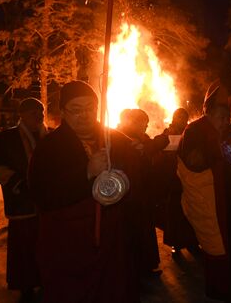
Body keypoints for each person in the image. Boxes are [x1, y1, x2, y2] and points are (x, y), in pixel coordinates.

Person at [27, 80, 141, 303]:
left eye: (90, 108)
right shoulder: (49, 147)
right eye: (76, 110)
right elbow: (42, 194)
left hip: (111, 238)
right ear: (63, 112)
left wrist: (139, 155)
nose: (85, 115)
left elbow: (136, 175)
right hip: (69, 243)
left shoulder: (115, 138)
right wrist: (86, 173)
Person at [177, 81, 231, 303]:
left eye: (227, 117)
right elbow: (192, 164)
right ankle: (221, 289)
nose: (226, 121)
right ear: (208, 113)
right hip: (214, 202)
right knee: (220, 246)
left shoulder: (227, 134)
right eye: (220, 117)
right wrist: (217, 157)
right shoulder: (194, 131)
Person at [0, 98, 46, 302]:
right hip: (21, 201)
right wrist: (17, 183)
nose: (39, 115)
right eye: (34, 112)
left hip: (47, 203)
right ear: (22, 114)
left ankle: (45, 279)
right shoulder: (7, 137)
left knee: (46, 245)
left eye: (41, 111)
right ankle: (25, 284)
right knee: (24, 248)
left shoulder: (49, 136)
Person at [118, 108, 168, 277]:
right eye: (142, 124)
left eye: (146, 124)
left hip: (143, 193)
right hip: (132, 195)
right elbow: (139, 154)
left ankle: (146, 266)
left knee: (145, 231)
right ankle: (137, 270)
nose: (145, 127)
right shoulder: (123, 138)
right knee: (136, 235)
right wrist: (158, 143)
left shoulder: (142, 138)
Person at [156, 108, 198, 254]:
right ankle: (176, 243)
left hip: (188, 178)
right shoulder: (168, 132)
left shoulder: (190, 131)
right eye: (179, 116)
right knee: (174, 212)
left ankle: (192, 242)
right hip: (173, 178)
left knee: (190, 212)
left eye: (184, 117)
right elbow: (160, 149)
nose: (181, 119)